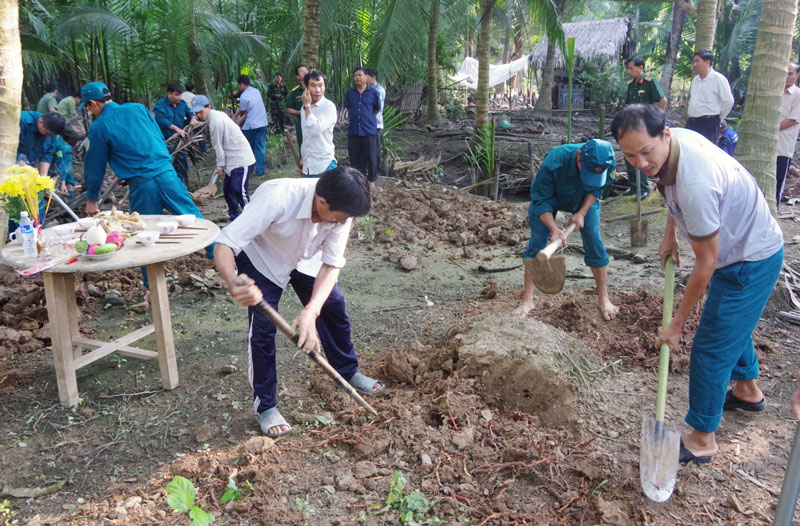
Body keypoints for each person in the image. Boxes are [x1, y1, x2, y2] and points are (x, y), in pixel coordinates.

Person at [611, 104, 784, 464]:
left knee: (709, 347)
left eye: (646, 151)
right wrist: (670, 235)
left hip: (750, 259)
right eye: (630, 155)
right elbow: (668, 188)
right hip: (738, 247)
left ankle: (703, 437)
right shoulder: (673, 149)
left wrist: (675, 327)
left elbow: (706, 263)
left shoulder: (697, 184)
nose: (641, 162)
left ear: (665, 135)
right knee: (732, 325)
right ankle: (748, 390)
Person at [213, 167, 384, 438]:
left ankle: (347, 372)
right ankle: (266, 406)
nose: (342, 223)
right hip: (264, 258)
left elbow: (330, 265)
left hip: (307, 260)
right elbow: (224, 243)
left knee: (333, 306)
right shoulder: (278, 197)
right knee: (262, 331)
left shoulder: (342, 211)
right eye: (339, 218)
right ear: (322, 202)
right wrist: (233, 281)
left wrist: (310, 312)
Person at [78, 81, 213, 260]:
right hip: (167, 174)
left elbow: (95, 166)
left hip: (143, 184)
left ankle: (151, 281)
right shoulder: (138, 108)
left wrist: (92, 199)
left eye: (88, 107)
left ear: (93, 103)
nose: (90, 112)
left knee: (143, 234)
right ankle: (220, 254)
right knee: (193, 219)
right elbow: (156, 136)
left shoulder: (99, 126)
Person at [512, 139, 619, 321]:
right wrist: (554, 229)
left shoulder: (606, 160)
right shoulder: (555, 161)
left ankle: (604, 299)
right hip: (550, 198)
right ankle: (527, 300)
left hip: (584, 198)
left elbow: (598, 188)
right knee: (537, 242)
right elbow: (540, 199)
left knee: (593, 239)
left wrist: (582, 212)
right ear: (579, 156)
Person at [191, 94, 255, 221]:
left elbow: (217, 147)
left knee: (238, 190)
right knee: (228, 191)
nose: (199, 115)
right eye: (196, 113)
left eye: (201, 112)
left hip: (241, 159)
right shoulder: (214, 116)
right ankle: (234, 218)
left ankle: (252, 218)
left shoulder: (216, 121)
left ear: (208, 107)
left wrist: (220, 166)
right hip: (231, 160)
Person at [622, 56, 667, 199]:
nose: (629, 71)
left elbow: (662, 100)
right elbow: (627, 104)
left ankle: (644, 188)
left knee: (641, 155)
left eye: (631, 68)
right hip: (631, 125)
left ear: (640, 68)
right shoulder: (631, 85)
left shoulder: (649, 82)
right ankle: (634, 186)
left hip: (645, 126)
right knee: (629, 154)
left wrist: (658, 118)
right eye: (627, 69)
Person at [153, 82, 198, 185]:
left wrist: (192, 118)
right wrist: (176, 129)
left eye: (180, 95)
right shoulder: (160, 105)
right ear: (169, 94)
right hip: (166, 141)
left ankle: (184, 187)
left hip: (180, 141)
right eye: (176, 95)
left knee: (182, 164)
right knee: (166, 165)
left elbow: (189, 112)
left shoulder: (182, 104)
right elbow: (161, 120)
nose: (179, 97)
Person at [686, 50, 734, 144]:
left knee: (705, 152)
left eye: (697, 61)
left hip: (708, 124)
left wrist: (718, 118)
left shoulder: (718, 79)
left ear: (707, 62)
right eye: (694, 62)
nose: (694, 64)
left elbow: (728, 102)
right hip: (692, 122)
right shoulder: (695, 80)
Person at [344, 67, 381, 186]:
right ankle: (358, 180)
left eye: (360, 75)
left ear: (366, 77)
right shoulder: (350, 93)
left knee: (371, 156)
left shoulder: (374, 92)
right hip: (354, 130)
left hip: (369, 129)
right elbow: (349, 108)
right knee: (355, 156)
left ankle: (371, 180)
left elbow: (376, 109)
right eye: (355, 75)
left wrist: (366, 118)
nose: (357, 78)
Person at [299, 70, 337, 178]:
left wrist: (307, 106)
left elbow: (315, 130)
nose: (318, 90)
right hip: (307, 167)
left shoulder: (328, 107)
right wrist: (304, 158)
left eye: (321, 85)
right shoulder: (304, 108)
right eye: (313, 86)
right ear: (306, 87)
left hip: (324, 165)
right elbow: (306, 135)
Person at [233, 75, 268, 176]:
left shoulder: (243, 97)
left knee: (248, 148)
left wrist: (236, 124)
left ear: (242, 84)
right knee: (260, 147)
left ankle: (250, 169)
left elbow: (245, 113)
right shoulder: (256, 91)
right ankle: (260, 170)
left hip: (251, 126)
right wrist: (236, 115)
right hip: (262, 123)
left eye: (239, 85)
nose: (239, 88)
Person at [777, 61, 800, 208]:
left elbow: (793, 120)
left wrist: (770, 130)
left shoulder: (798, 95)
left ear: (797, 75)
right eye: (784, 72)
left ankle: (775, 207)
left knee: (779, 178)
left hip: (783, 144)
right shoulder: (774, 91)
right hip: (766, 144)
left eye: (790, 73)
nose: (786, 76)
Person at [17, 111, 65, 177]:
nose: (48, 136)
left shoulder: (52, 132)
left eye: (51, 135)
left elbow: (47, 154)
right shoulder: (22, 120)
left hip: (29, 161)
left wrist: (43, 178)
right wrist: (23, 165)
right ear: (40, 122)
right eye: (46, 133)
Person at [365, 69, 386, 176]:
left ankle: (376, 172)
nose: (365, 79)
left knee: (376, 149)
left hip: (376, 124)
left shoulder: (379, 90)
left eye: (367, 77)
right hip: (367, 125)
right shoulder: (366, 90)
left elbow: (376, 108)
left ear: (373, 78)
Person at [286, 65, 309, 149]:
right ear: (297, 76)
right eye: (302, 71)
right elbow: (289, 109)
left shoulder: (316, 89)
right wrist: (300, 112)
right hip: (301, 122)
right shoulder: (295, 92)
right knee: (303, 146)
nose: (305, 72)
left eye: (306, 70)